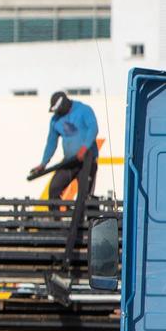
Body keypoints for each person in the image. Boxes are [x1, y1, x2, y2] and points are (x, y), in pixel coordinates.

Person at [39, 91, 100, 268]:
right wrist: (43, 163)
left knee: (84, 196)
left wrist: (84, 148)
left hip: (86, 160)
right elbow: (51, 142)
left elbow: (93, 129)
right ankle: (56, 223)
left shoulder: (83, 110)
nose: (57, 114)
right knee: (54, 188)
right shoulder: (55, 120)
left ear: (65, 103)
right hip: (70, 161)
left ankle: (83, 227)